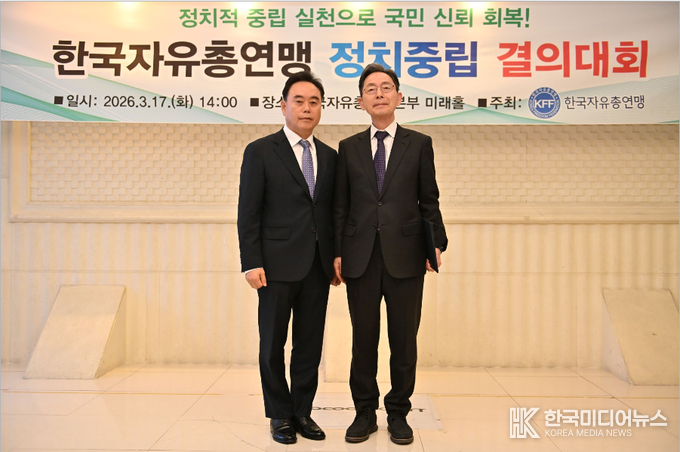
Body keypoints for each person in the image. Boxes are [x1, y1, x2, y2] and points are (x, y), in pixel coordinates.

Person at [333, 63, 448, 445]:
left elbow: (429, 199)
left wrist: (435, 243)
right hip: (360, 257)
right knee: (363, 340)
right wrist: (337, 252)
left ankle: (399, 412)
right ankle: (364, 412)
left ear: (399, 96)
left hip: (407, 256)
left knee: (404, 340)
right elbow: (340, 206)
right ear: (361, 101)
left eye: (386, 87)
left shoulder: (419, 143)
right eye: (371, 89)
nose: (379, 94)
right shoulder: (348, 147)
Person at [237, 71, 338, 445]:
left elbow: (333, 213)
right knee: (272, 344)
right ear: (283, 106)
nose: (307, 108)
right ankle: (279, 414)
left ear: (321, 108)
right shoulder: (261, 151)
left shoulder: (330, 157)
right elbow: (248, 211)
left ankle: (302, 411)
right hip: (274, 266)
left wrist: (336, 257)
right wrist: (251, 261)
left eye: (314, 102)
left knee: (309, 344)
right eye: (299, 101)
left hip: (317, 266)